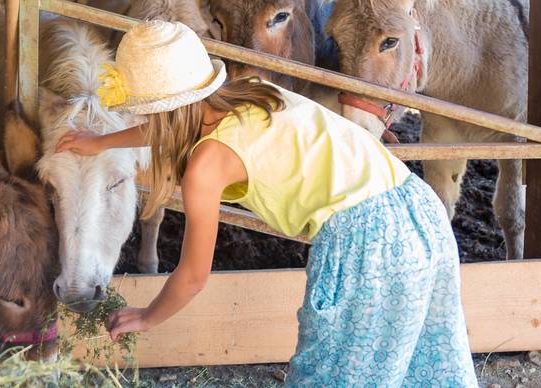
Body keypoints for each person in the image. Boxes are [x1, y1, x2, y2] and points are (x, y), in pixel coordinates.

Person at [56, 20, 478, 386]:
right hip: (416, 206)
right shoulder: (253, 93)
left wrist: (147, 316)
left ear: (158, 113)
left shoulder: (207, 166)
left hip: (368, 244)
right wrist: (102, 142)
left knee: (334, 371)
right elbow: (175, 125)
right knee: (425, 361)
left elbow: (192, 276)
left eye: (145, 115)